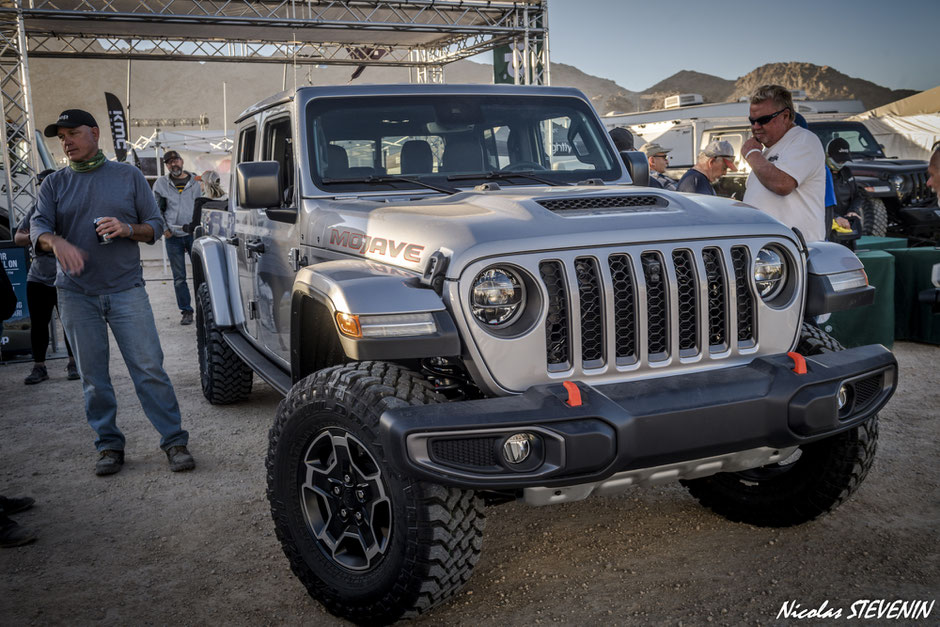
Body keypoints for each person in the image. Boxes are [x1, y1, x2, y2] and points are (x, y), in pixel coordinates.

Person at [31, 108, 195, 476]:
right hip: (75, 293)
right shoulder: (54, 184)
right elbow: (37, 228)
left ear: (95, 133)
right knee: (93, 376)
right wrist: (55, 242)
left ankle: (174, 441)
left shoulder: (129, 176)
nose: (67, 141)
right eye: (61, 137)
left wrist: (126, 228)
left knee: (149, 369)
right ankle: (108, 445)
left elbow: (155, 225)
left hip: (126, 290)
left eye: (73, 133)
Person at [14, 168, 79, 384]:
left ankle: (73, 363)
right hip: (39, 277)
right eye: (42, 184)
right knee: (39, 324)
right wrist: (41, 238)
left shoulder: (71, 208)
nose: (45, 188)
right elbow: (18, 238)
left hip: (68, 276)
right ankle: (39, 367)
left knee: (70, 322)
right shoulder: (36, 210)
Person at [740, 84, 826, 242]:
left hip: (794, 253)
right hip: (769, 255)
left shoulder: (804, 140)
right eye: (752, 121)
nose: (755, 127)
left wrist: (751, 153)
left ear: (785, 116)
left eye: (763, 120)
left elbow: (782, 184)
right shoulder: (767, 151)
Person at [152, 150, 201, 325]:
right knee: (179, 277)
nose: (174, 164)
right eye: (169, 162)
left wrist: (200, 229)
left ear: (182, 161)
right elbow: (155, 208)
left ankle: (205, 308)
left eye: (176, 160)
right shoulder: (160, 184)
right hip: (173, 236)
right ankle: (186, 311)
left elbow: (204, 205)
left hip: (193, 235)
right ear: (166, 166)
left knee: (201, 274)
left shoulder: (197, 182)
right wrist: (165, 229)